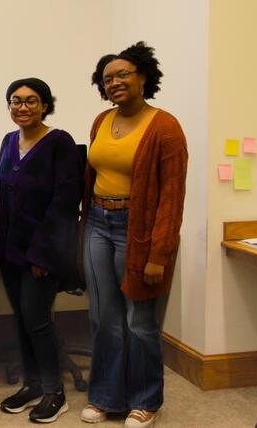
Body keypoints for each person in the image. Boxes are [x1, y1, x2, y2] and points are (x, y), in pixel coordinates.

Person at [81, 42, 188, 428]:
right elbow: (92, 175)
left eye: (123, 74)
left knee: (139, 322)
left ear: (144, 76)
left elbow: (172, 196)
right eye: (108, 78)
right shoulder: (100, 121)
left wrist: (160, 253)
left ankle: (146, 400)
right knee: (103, 317)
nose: (115, 83)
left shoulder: (165, 126)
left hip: (137, 229)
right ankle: (106, 396)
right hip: (96, 223)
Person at [0, 78, 83, 423]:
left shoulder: (59, 142)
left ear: (45, 105)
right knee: (21, 320)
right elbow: (2, 194)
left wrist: (42, 256)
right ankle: (33, 385)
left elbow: (64, 204)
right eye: (15, 101)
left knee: (38, 320)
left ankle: (54, 392)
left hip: (41, 255)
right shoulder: (8, 141)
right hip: (10, 252)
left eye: (31, 101)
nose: (22, 107)